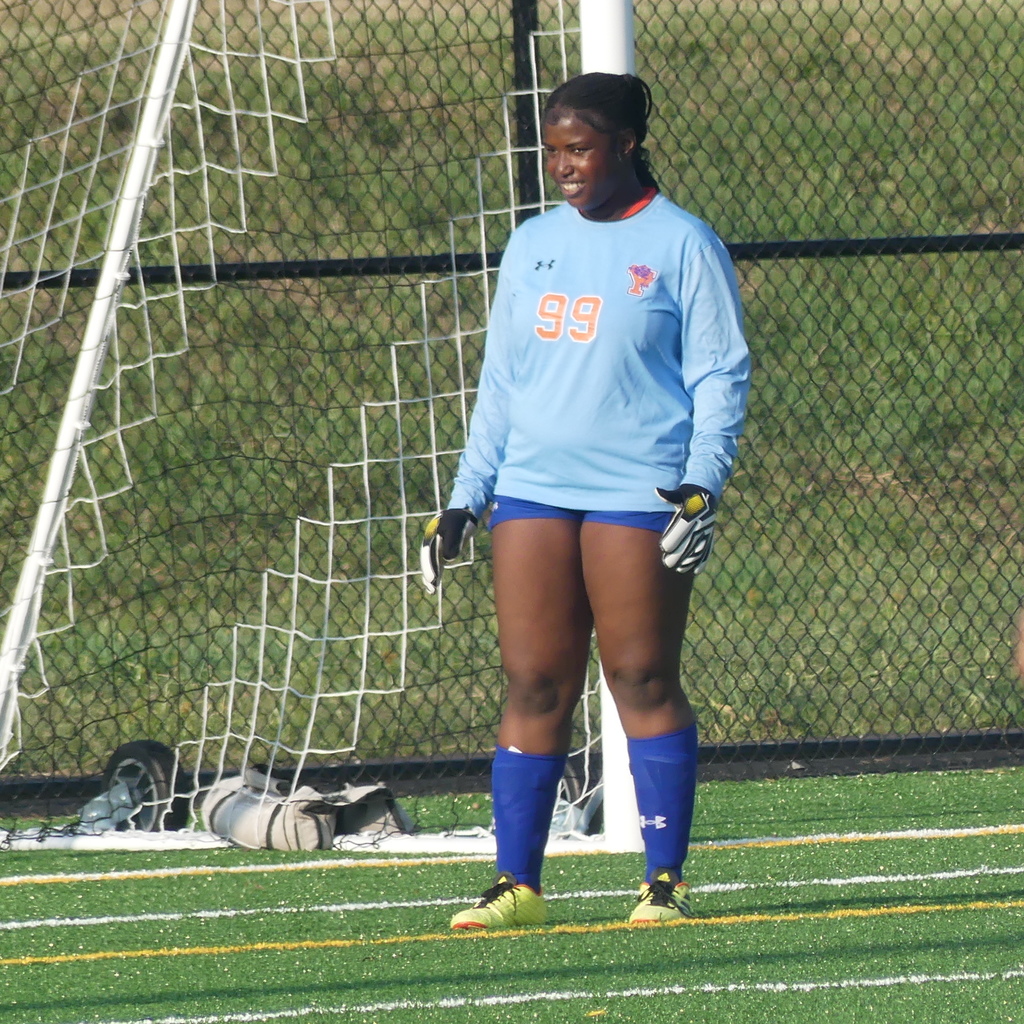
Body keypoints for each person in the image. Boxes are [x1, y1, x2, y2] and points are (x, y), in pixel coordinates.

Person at [420, 72, 751, 929]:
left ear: (627, 146)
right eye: (552, 150)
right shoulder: (531, 242)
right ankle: (516, 885)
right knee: (534, 681)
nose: (562, 166)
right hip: (531, 487)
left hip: (637, 491)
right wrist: (465, 497)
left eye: (579, 149)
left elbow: (721, 376)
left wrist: (700, 486)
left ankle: (664, 882)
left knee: (640, 675)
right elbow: (502, 383)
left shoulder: (683, 243)